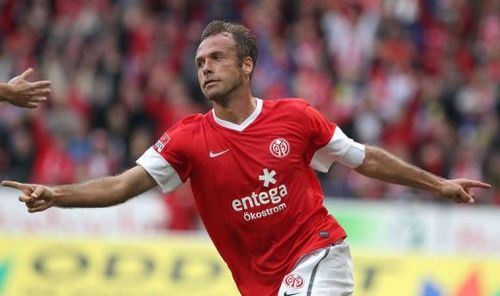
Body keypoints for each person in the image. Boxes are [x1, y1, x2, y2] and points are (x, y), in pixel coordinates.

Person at [2, 20, 491, 296]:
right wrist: (56, 194)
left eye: (215, 59)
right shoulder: (187, 139)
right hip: (263, 284)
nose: (206, 69)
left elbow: (366, 160)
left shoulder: (297, 118)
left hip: (319, 252)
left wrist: (440, 184)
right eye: (198, 64)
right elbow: (121, 186)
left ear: (247, 64)